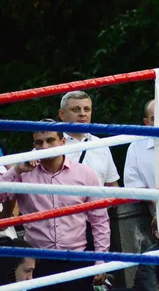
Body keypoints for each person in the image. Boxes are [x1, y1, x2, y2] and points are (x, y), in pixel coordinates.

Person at [0, 120, 110, 291]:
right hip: (39, 262)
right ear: (34, 146)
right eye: (39, 142)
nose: (44, 146)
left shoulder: (84, 173)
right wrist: (16, 170)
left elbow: (100, 220)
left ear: (62, 142)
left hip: (77, 259)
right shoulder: (23, 174)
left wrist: (101, 260)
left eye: (50, 140)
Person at [58, 91, 120, 187]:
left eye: (86, 109)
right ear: (61, 114)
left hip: (99, 201)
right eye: (76, 109)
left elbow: (111, 185)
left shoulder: (101, 145)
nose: (82, 114)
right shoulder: (49, 146)